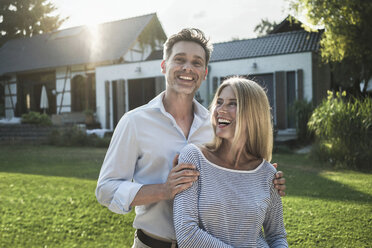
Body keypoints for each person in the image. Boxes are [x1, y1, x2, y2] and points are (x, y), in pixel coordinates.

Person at [95, 28, 286, 248]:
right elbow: (106, 189)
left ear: (204, 73)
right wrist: (163, 190)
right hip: (154, 244)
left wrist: (263, 178)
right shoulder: (135, 122)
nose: (187, 68)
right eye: (179, 59)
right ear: (164, 66)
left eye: (196, 62)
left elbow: (235, 170)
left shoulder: (216, 125)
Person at [173, 77, 288, 247]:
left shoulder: (268, 173)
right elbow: (187, 235)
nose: (221, 110)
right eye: (219, 102)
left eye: (232, 104)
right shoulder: (193, 157)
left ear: (253, 114)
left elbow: (276, 236)